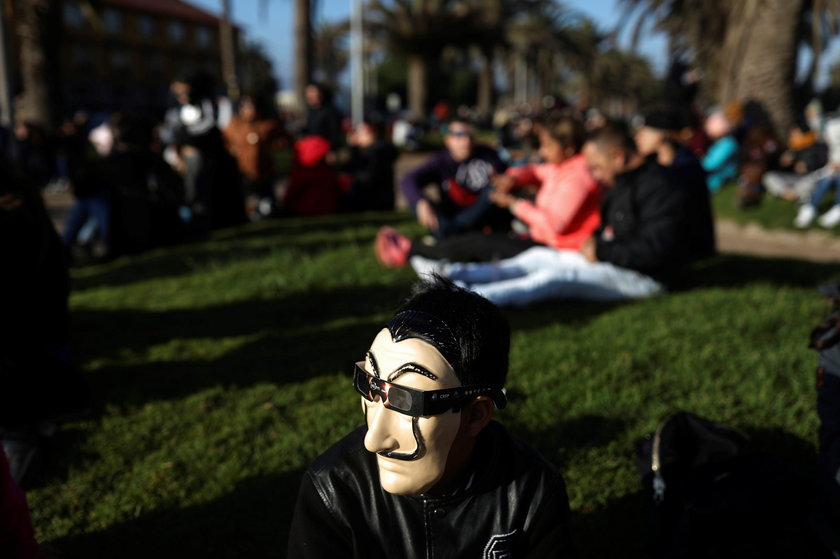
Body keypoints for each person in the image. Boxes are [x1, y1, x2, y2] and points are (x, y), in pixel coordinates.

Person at [287, 276, 574, 557]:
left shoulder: (532, 493)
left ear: (475, 414)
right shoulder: (333, 491)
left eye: (407, 400)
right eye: (370, 385)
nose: (373, 440)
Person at [429, 120, 691, 306]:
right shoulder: (621, 182)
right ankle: (453, 274)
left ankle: (472, 298)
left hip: (644, 277)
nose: (595, 176)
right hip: (611, 259)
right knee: (539, 257)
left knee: (556, 278)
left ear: (618, 157)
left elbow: (657, 249)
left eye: (597, 168)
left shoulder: (660, 186)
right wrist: (599, 246)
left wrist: (601, 250)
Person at [376, 115, 600, 268]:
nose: (542, 151)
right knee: (475, 240)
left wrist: (513, 203)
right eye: (459, 135)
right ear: (448, 140)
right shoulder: (561, 167)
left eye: (547, 146)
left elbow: (554, 225)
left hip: (553, 246)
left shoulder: (577, 176)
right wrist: (513, 177)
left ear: (569, 148)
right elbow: (534, 171)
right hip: (533, 236)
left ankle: (414, 250)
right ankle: (432, 242)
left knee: (477, 242)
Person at [398, 118, 508, 239]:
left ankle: (451, 234)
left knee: (492, 191)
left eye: (470, 136)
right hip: (452, 213)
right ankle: (453, 233)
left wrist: (507, 179)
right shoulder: (440, 161)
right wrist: (421, 201)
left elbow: (510, 174)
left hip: (484, 212)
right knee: (416, 201)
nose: (466, 141)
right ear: (448, 140)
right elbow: (407, 181)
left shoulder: (488, 155)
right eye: (459, 135)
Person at [634, 110, 716, 259]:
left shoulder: (687, 167)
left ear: (660, 135)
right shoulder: (650, 164)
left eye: (643, 133)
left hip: (690, 246)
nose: (637, 138)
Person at [223, 93, 291, 220]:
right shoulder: (234, 125)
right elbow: (225, 141)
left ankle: (269, 213)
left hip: (265, 168)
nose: (248, 109)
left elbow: (285, 139)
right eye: (244, 106)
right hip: (243, 169)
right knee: (248, 195)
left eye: (251, 106)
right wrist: (232, 150)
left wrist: (273, 147)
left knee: (266, 196)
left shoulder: (269, 124)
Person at [763, 119, 828, 203]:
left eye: (795, 131)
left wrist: (807, 165)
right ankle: (789, 193)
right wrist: (783, 164)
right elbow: (781, 170)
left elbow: (824, 165)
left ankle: (798, 195)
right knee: (768, 176)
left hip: (810, 177)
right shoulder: (792, 149)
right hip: (796, 179)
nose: (792, 134)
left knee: (814, 178)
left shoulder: (818, 146)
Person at [340, 120, 398, 211]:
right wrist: (352, 148)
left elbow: (368, 177)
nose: (358, 136)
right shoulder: (366, 151)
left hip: (376, 201)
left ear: (373, 134)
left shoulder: (378, 152)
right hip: (371, 198)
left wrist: (351, 176)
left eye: (362, 132)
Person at [701, 109, 739, 193]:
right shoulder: (723, 142)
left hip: (719, 179)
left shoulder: (728, 143)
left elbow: (710, 165)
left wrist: (697, 162)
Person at [302, 83, 343, 149]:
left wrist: (332, 149)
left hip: (324, 148)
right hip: (312, 148)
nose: (310, 95)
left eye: (313, 92)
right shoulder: (311, 111)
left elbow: (334, 133)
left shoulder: (329, 111)